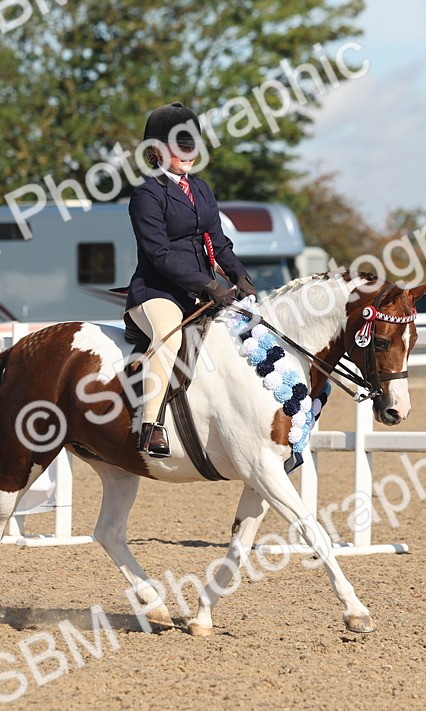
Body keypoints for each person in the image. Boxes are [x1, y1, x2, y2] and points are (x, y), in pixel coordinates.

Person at [125, 102, 256, 458]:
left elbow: (219, 242)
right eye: (179, 146)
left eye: (192, 145)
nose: (188, 153)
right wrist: (207, 285)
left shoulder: (200, 189)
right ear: (156, 150)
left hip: (199, 292)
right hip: (157, 293)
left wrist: (239, 275)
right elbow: (159, 254)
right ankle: (150, 426)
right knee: (168, 340)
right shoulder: (147, 194)